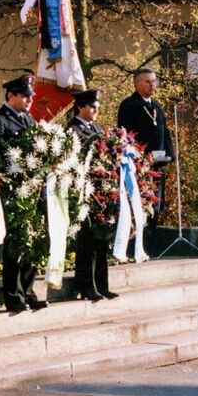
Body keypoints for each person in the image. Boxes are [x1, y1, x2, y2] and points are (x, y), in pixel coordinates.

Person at [0, 74, 48, 313]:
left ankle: (29, 292)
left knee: (31, 241)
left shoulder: (29, 120)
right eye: (25, 96)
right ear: (11, 95)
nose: (30, 101)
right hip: (11, 190)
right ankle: (13, 296)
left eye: (31, 96)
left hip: (31, 188)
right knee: (15, 244)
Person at [67, 89, 119, 302]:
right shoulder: (72, 130)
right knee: (87, 242)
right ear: (80, 107)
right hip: (86, 191)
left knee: (101, 241)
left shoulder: (97, 129)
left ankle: (102, 285)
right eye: (92, 106)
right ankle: (87, 286)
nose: (96, 109)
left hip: (102, 191)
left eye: (97, 105)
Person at [117, 67, 173, 256]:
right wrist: (141, 156)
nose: (152, 85)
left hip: (157, 165)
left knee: (155, 206)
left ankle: (151, 246)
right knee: (139, 205)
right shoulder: (129, 105)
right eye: (148, 81)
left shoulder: (156, 106)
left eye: (154, 81)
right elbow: (125, 136)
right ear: (137, 83)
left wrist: (170, 154)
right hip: (139, 167)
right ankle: (135, 248)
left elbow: (166, 134)